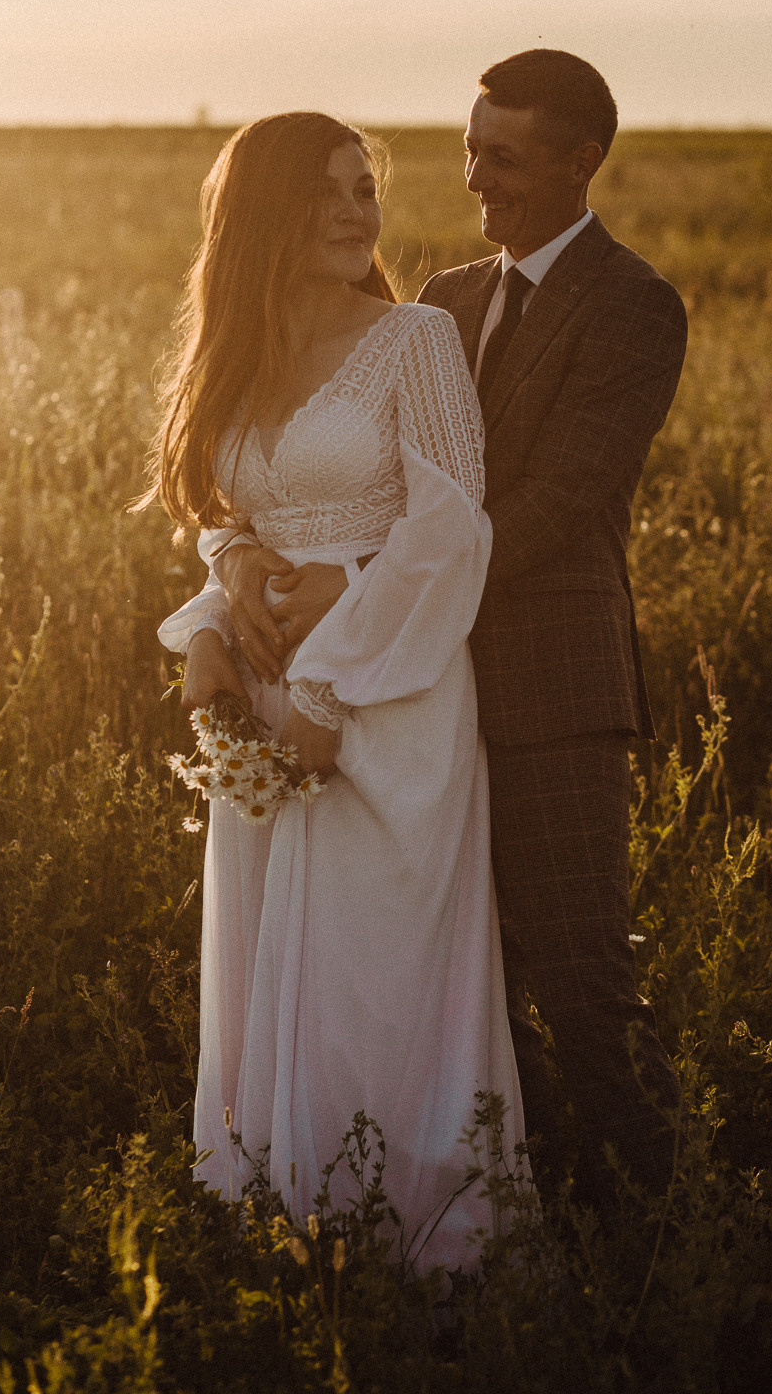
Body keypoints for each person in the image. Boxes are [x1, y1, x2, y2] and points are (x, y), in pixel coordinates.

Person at [219, 54, 688, 1212]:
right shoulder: (445, 295)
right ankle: (498, 1199)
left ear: (581, 161)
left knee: (578, 972)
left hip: (547, 683)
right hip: (407, 679)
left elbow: (554, 500)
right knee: (457, 976)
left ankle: (666, 1229)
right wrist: (256, 565)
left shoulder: (631, 305)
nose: (475, 177)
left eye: (505, 157)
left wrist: (358, 582)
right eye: (470, 149)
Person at [143, 111, 525, 1270]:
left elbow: (449, 532)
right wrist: (212, 621)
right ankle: (289, 1243)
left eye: (365, 187)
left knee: (373, 973)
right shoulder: (234, 352)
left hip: (387, 691)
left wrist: (329, 691)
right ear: (263, 210)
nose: (357, 210)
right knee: (273, 964)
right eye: (327, 189)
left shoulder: (413, 339)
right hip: (263, 706)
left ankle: (421, 1251)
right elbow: (232, 517)